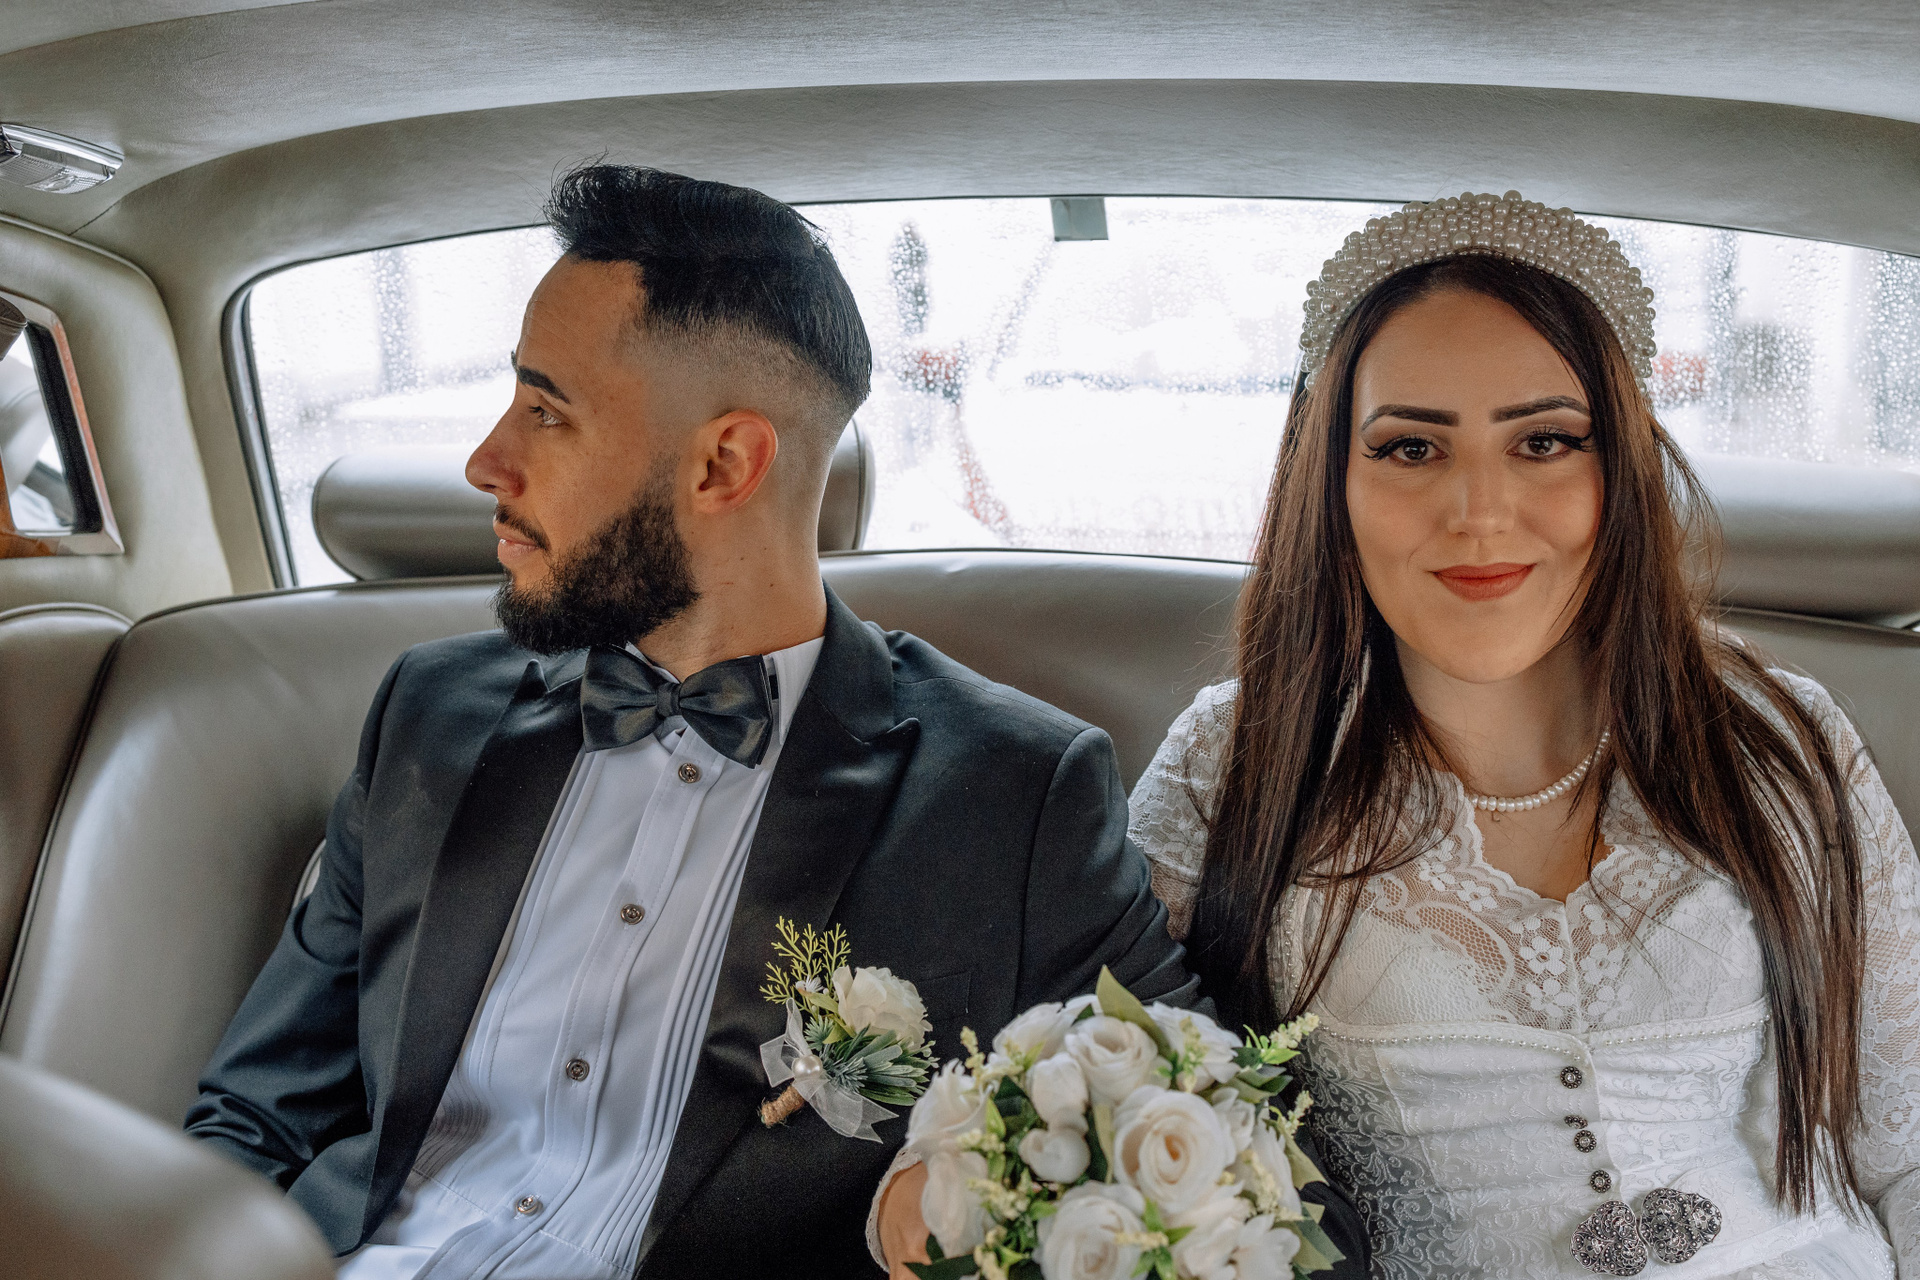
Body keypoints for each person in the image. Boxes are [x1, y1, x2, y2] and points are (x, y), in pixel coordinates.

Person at [185, 165, 1206, 1279]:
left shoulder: (1014, 792)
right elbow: (255, 1113)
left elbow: (1212, 1158)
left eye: (544, 411)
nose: (486, 461)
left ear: (725, 462)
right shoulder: (428, 716)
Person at [1127, 192, 1920, 1278]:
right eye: (1412, 448)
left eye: (1544, 441)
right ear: (1332, 482)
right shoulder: (1235, 763)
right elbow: (1119, 1107)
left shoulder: (1782, 742)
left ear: (1621, 467)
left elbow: (1908, 1141)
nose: (1481, 511)